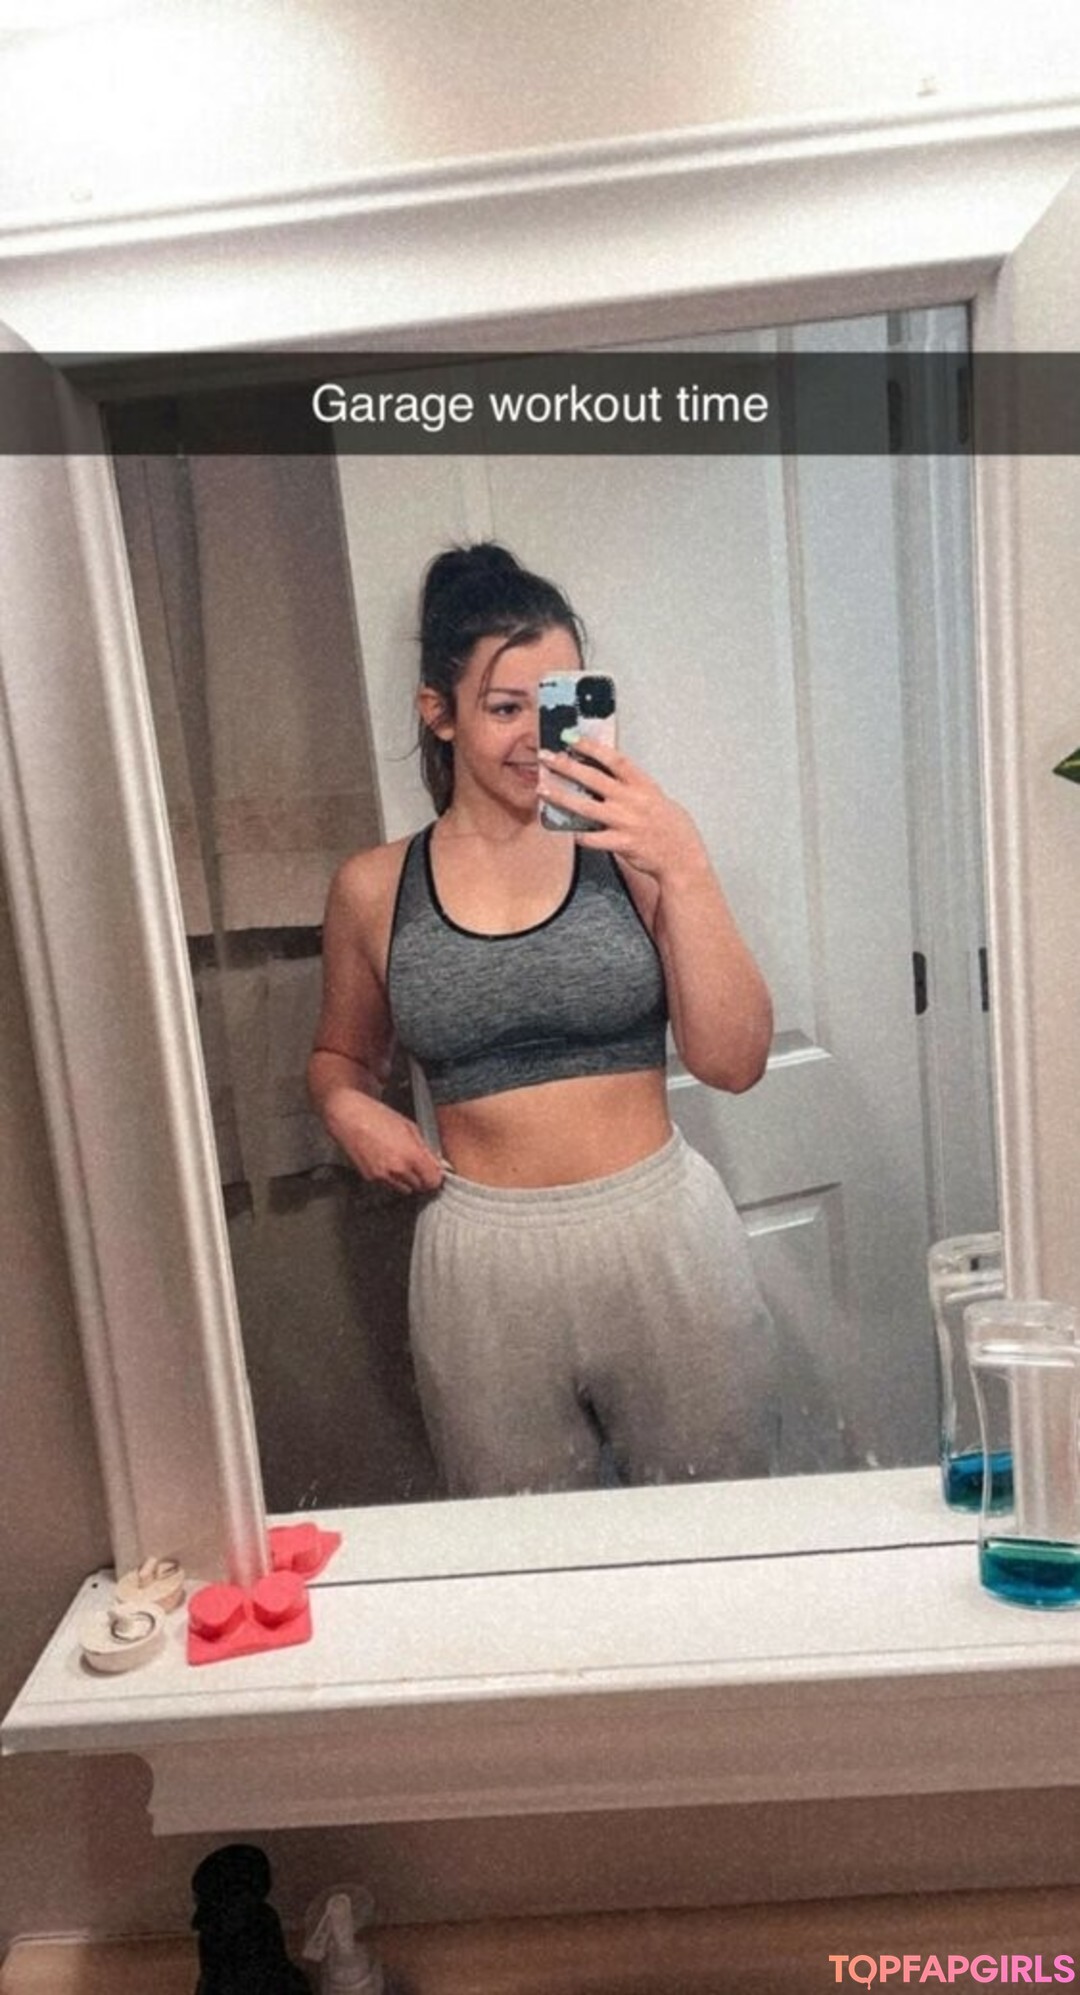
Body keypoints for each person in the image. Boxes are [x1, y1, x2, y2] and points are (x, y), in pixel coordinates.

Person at [308, 542, 778, 1496]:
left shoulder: (634, 851)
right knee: (523, 1548)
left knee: (721, 1530)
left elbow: (733, 1062)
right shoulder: (373, 887)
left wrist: (684, 861)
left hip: (662, 1235)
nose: (535, 736)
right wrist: (347, 1107)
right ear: (438, 712)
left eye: (557, 701)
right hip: (482, 1263)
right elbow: (339, 1057)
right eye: (503, 707)